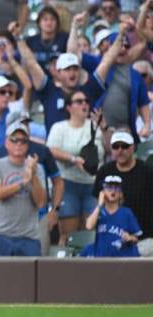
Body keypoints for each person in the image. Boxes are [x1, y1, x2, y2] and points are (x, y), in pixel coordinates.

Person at [46, 90, 105, 245]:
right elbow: (51, 150)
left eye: (86, 101)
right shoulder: (59, 127)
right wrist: (73, 159)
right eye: (79, 101)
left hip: (92, 184)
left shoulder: (96, 125)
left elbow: (112, 149)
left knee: (90, 234)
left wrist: (104, 127)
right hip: (68, 183)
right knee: (68, 234)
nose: (84, 104)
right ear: (69, 107)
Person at [0, 121, 47, 256]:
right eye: (14, 140)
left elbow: (41, 202)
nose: (18, 144)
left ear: (28, 144)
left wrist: (33, 175)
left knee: (30, 277)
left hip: (28, 236)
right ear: (6, 143)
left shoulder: (37, 168)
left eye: (23, 141)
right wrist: (22, 184)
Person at [94, 131, 153, 257]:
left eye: (124, 146)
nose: (120, 150)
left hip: (144, 237)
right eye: (116, 146)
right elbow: (97, 204)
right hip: (111, 238)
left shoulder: (147, 171)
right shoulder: (104, 171)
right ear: (111, 149)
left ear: (132, 148)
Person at [83, 175, 142, 257]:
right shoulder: (98, 211)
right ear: (103, 192)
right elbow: (89, 226)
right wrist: (99, 204)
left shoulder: (127, 212)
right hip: (101, 258)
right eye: (109, 187)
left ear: (121, 194)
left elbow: (136, 238)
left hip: (122, 259)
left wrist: (129, 238)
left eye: (117, 188)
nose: (113, 191)